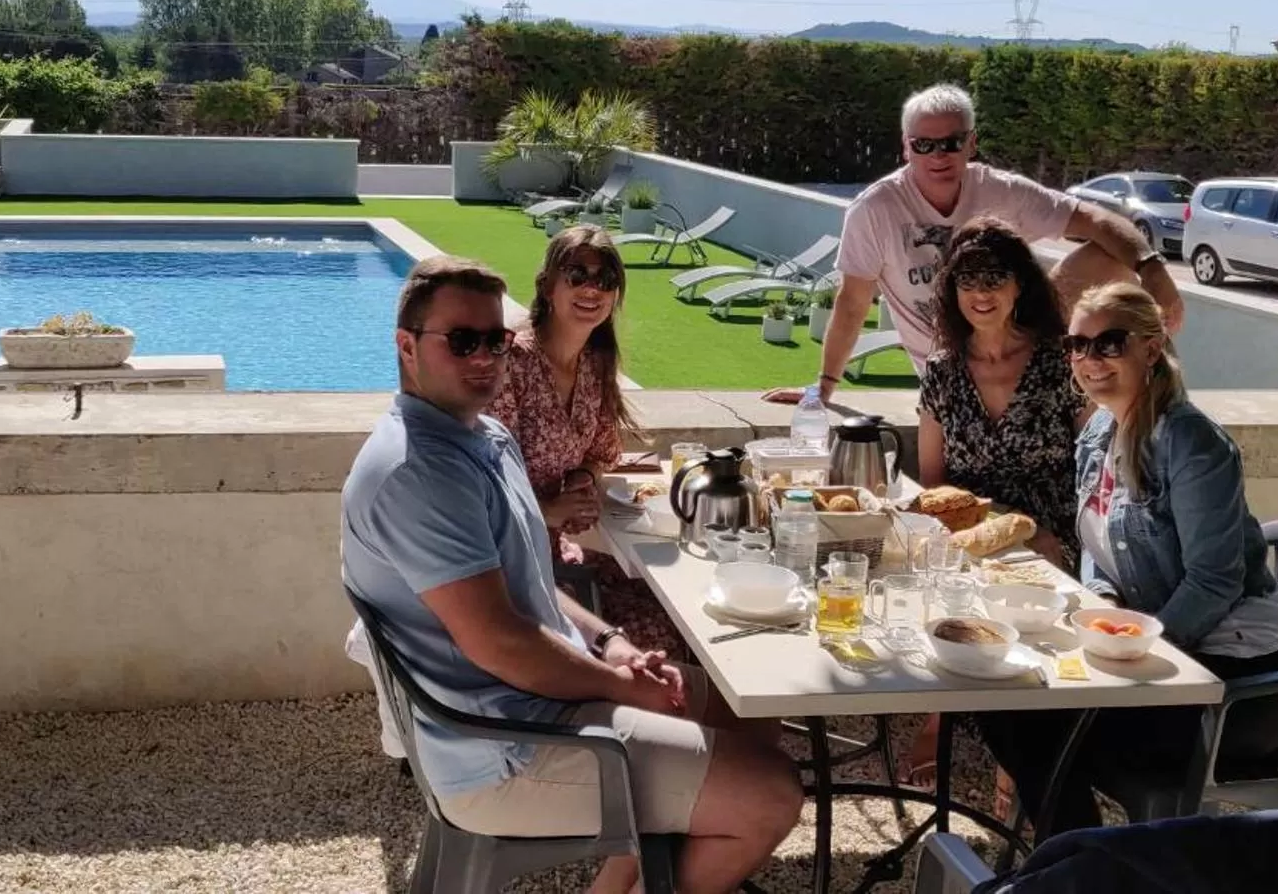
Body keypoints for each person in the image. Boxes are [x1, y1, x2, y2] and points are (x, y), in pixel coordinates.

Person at [343, 255, 800, 894]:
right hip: (503, 748)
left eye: (496, 340)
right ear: (406, 347)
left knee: (749, 710)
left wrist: (615, 646)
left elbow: (532, 585)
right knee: (772, 795)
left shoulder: (484, 438)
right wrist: (618, 687)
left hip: (534, 699)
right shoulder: (419, 473)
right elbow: (501, 644)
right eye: (462, 341)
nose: (485, 357)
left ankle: (620, 882)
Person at [969, 282, 1278, 838]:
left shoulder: (1193, 443)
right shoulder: (1099, 431)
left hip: (1236, 689)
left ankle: (1088, 866)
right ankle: (1084, 861)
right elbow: (1099, 553)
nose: (1088, 359)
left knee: (1037, 726)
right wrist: (1101, 611)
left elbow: (1215, 581)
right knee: (1003, 703)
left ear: (1151, 348)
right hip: (1158, 655)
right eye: (1077, 345)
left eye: (1109, 343)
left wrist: (1135, 650)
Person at [766, 82, 1184, 404]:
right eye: (923, 145)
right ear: (905, 148)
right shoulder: (876, 209)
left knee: (1107, 253)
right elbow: (853, 301)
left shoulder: (1000, 191)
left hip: (1025, 345)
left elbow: (1095, 219)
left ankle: (1151, 376)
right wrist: (824, 387)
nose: (938, 156)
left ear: (971, 143)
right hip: (953, 375)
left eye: (951, 143)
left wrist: (1152, 269)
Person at [904, 215, 1090, 789]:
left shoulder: (1063, 362)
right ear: (951, 290)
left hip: (1052, 525)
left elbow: (1095, 462)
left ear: (1019, 286)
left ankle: (1022, 750)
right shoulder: (942, 371)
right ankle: (942, 716)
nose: (981, 293)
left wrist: (1042, 534)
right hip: (972, 524)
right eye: (967, 279)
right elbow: (933, 480)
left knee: (1037, 569)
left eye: (995, 278)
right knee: (941, 567)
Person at [488, 226, 690, 661]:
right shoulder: (512, 365)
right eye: (577, 275)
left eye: (606, 280)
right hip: (509, 571)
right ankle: (649, 722)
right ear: (547, 286)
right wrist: (545, 510)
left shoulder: (595, 364)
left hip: (556, 554)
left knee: (680, 614)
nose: (592, 290)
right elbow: (479, 481)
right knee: (658, 637)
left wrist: (580, 477)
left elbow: (601, 451)